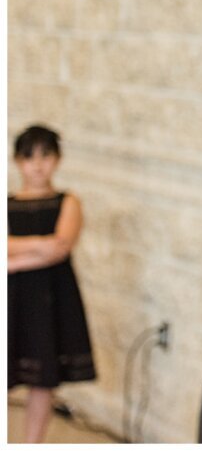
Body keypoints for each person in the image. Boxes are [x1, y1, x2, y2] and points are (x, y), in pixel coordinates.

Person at [8, 124, 97, 443]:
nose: (38, 164)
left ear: (57, 160)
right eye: (30, 156)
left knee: (42, 378)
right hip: (12, 298)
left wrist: (12, 260)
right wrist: (37, 247)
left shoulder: (67, 201)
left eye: (46, 156)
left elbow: (60, 247)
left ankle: (32, 445)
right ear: (18, 161)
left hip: (50, 298)